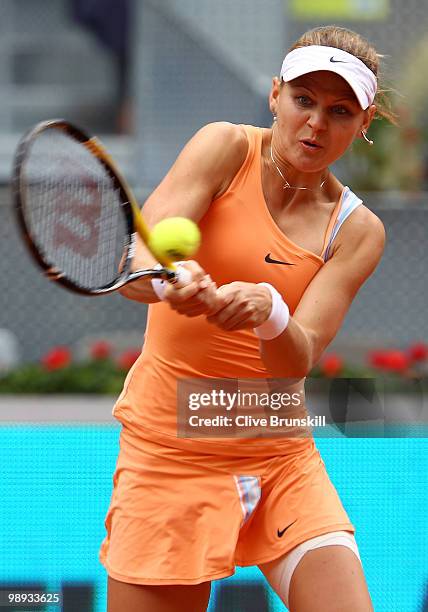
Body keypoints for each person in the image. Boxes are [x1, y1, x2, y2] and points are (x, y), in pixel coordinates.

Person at [100, 25, 395, 612]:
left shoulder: (357, 231)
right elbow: (140, 263)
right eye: (303, 100)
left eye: (339, 111)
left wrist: (271, 312)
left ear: (363, 125)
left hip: (278, 455)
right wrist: (168, 281)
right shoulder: (224, 147)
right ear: (275, 95)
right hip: (169, 452)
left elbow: (298, 357)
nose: (315, 123)